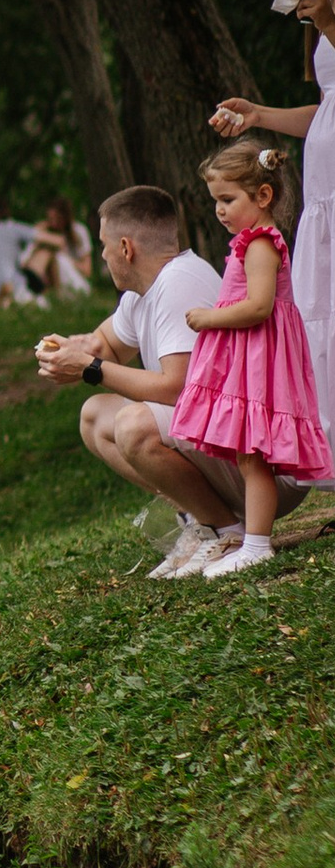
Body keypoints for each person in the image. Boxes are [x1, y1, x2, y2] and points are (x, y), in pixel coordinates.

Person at [36, 184, 306, 578]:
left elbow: (177, 389)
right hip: (228, 449)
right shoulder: (141, 293)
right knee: (95, 415)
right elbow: (103, 346)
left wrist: (89, 368)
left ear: (126, 248)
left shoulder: (179, 283)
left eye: (104, 246)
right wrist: (66, 350)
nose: (103, 256)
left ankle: (226, 532)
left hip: (265, 467)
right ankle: (203, 522)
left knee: (133, 425)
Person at [210, 0, 335, 466]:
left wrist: (331, 20)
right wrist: (257, 113)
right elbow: (328, 111)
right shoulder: (325, 8)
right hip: (323, 200)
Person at [168, 140, 330, 576]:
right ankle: (251, 540)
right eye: (216, 200)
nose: (220, 210)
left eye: (227, 199)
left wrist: (210, 317)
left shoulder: (261, 244)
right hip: (249, 360)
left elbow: (259, 306)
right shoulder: (247, 241)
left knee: (254, 453)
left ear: (262, 197)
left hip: (260, 363)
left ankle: (257, 543)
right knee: (246, 453)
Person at [23, 197, 93, 298]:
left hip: (75, 284)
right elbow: (25, 259)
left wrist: (65, 256)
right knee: (44, 252)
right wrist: (37, 234)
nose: (53, 223)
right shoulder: (45, 230)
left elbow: (87, 271)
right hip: (48, 282)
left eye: (57, 219)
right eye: (50, 219)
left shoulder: (79, 231)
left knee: (55, 255)